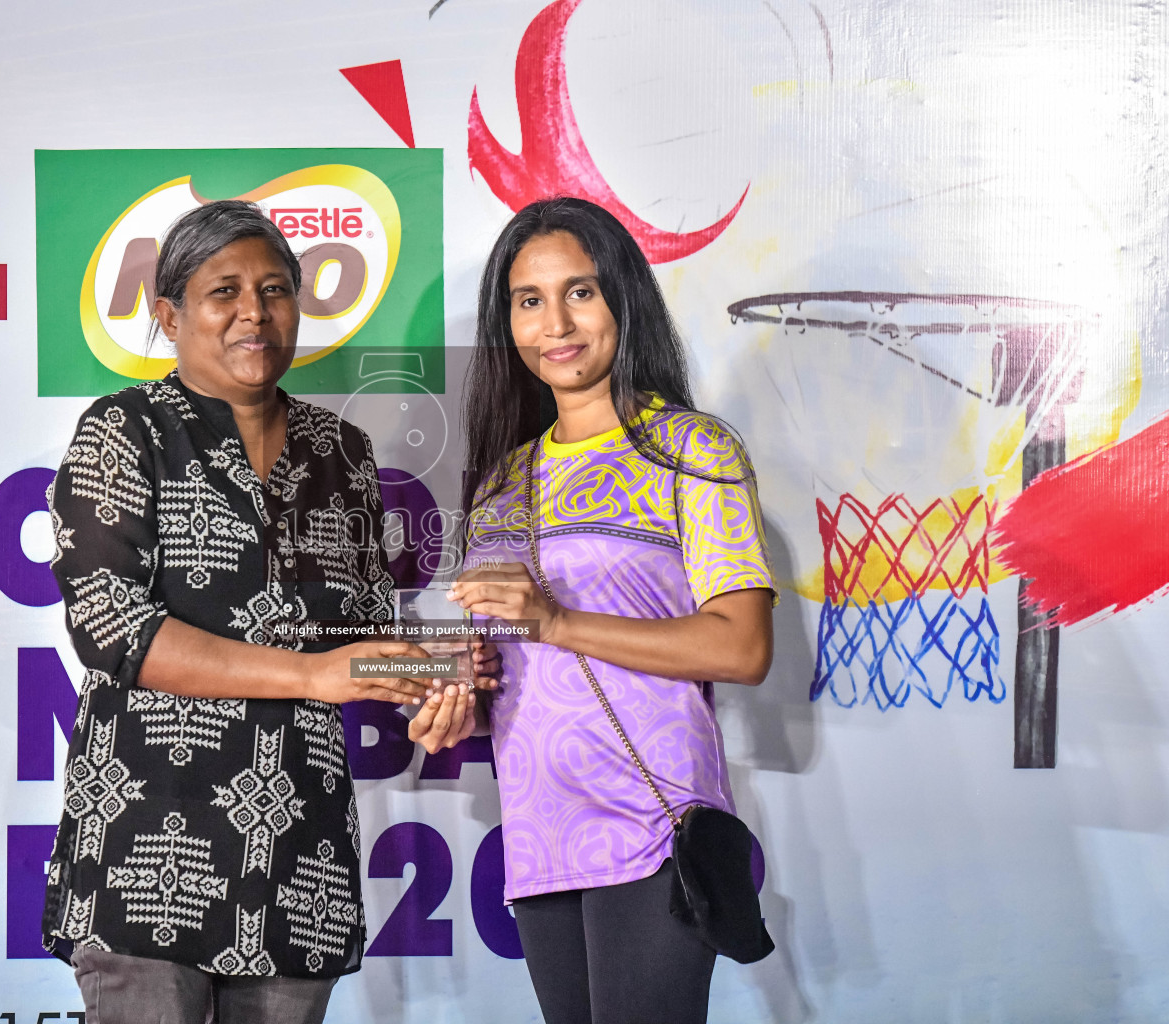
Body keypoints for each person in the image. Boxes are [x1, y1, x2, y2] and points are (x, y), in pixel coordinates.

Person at [42, 199, 444, 1024]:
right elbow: (112, 627)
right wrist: (314, 673)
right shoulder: (126, 430)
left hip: (299, 862)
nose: (253, 313)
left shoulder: (343, 454)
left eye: (274, 289)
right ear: (169, 315)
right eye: (223, 291)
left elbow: (362, 633)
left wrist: (440, 678)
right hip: (151, 853)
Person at [409, 196, 776, 1024]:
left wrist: (557, 621)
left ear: (622, 297)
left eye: (580, 292)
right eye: (529, 300)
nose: (555, 323)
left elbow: (743, 645)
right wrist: (450, 695)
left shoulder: (692, 448)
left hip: (652, 819)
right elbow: (505, 662)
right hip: (541, 828)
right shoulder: (504, 482)